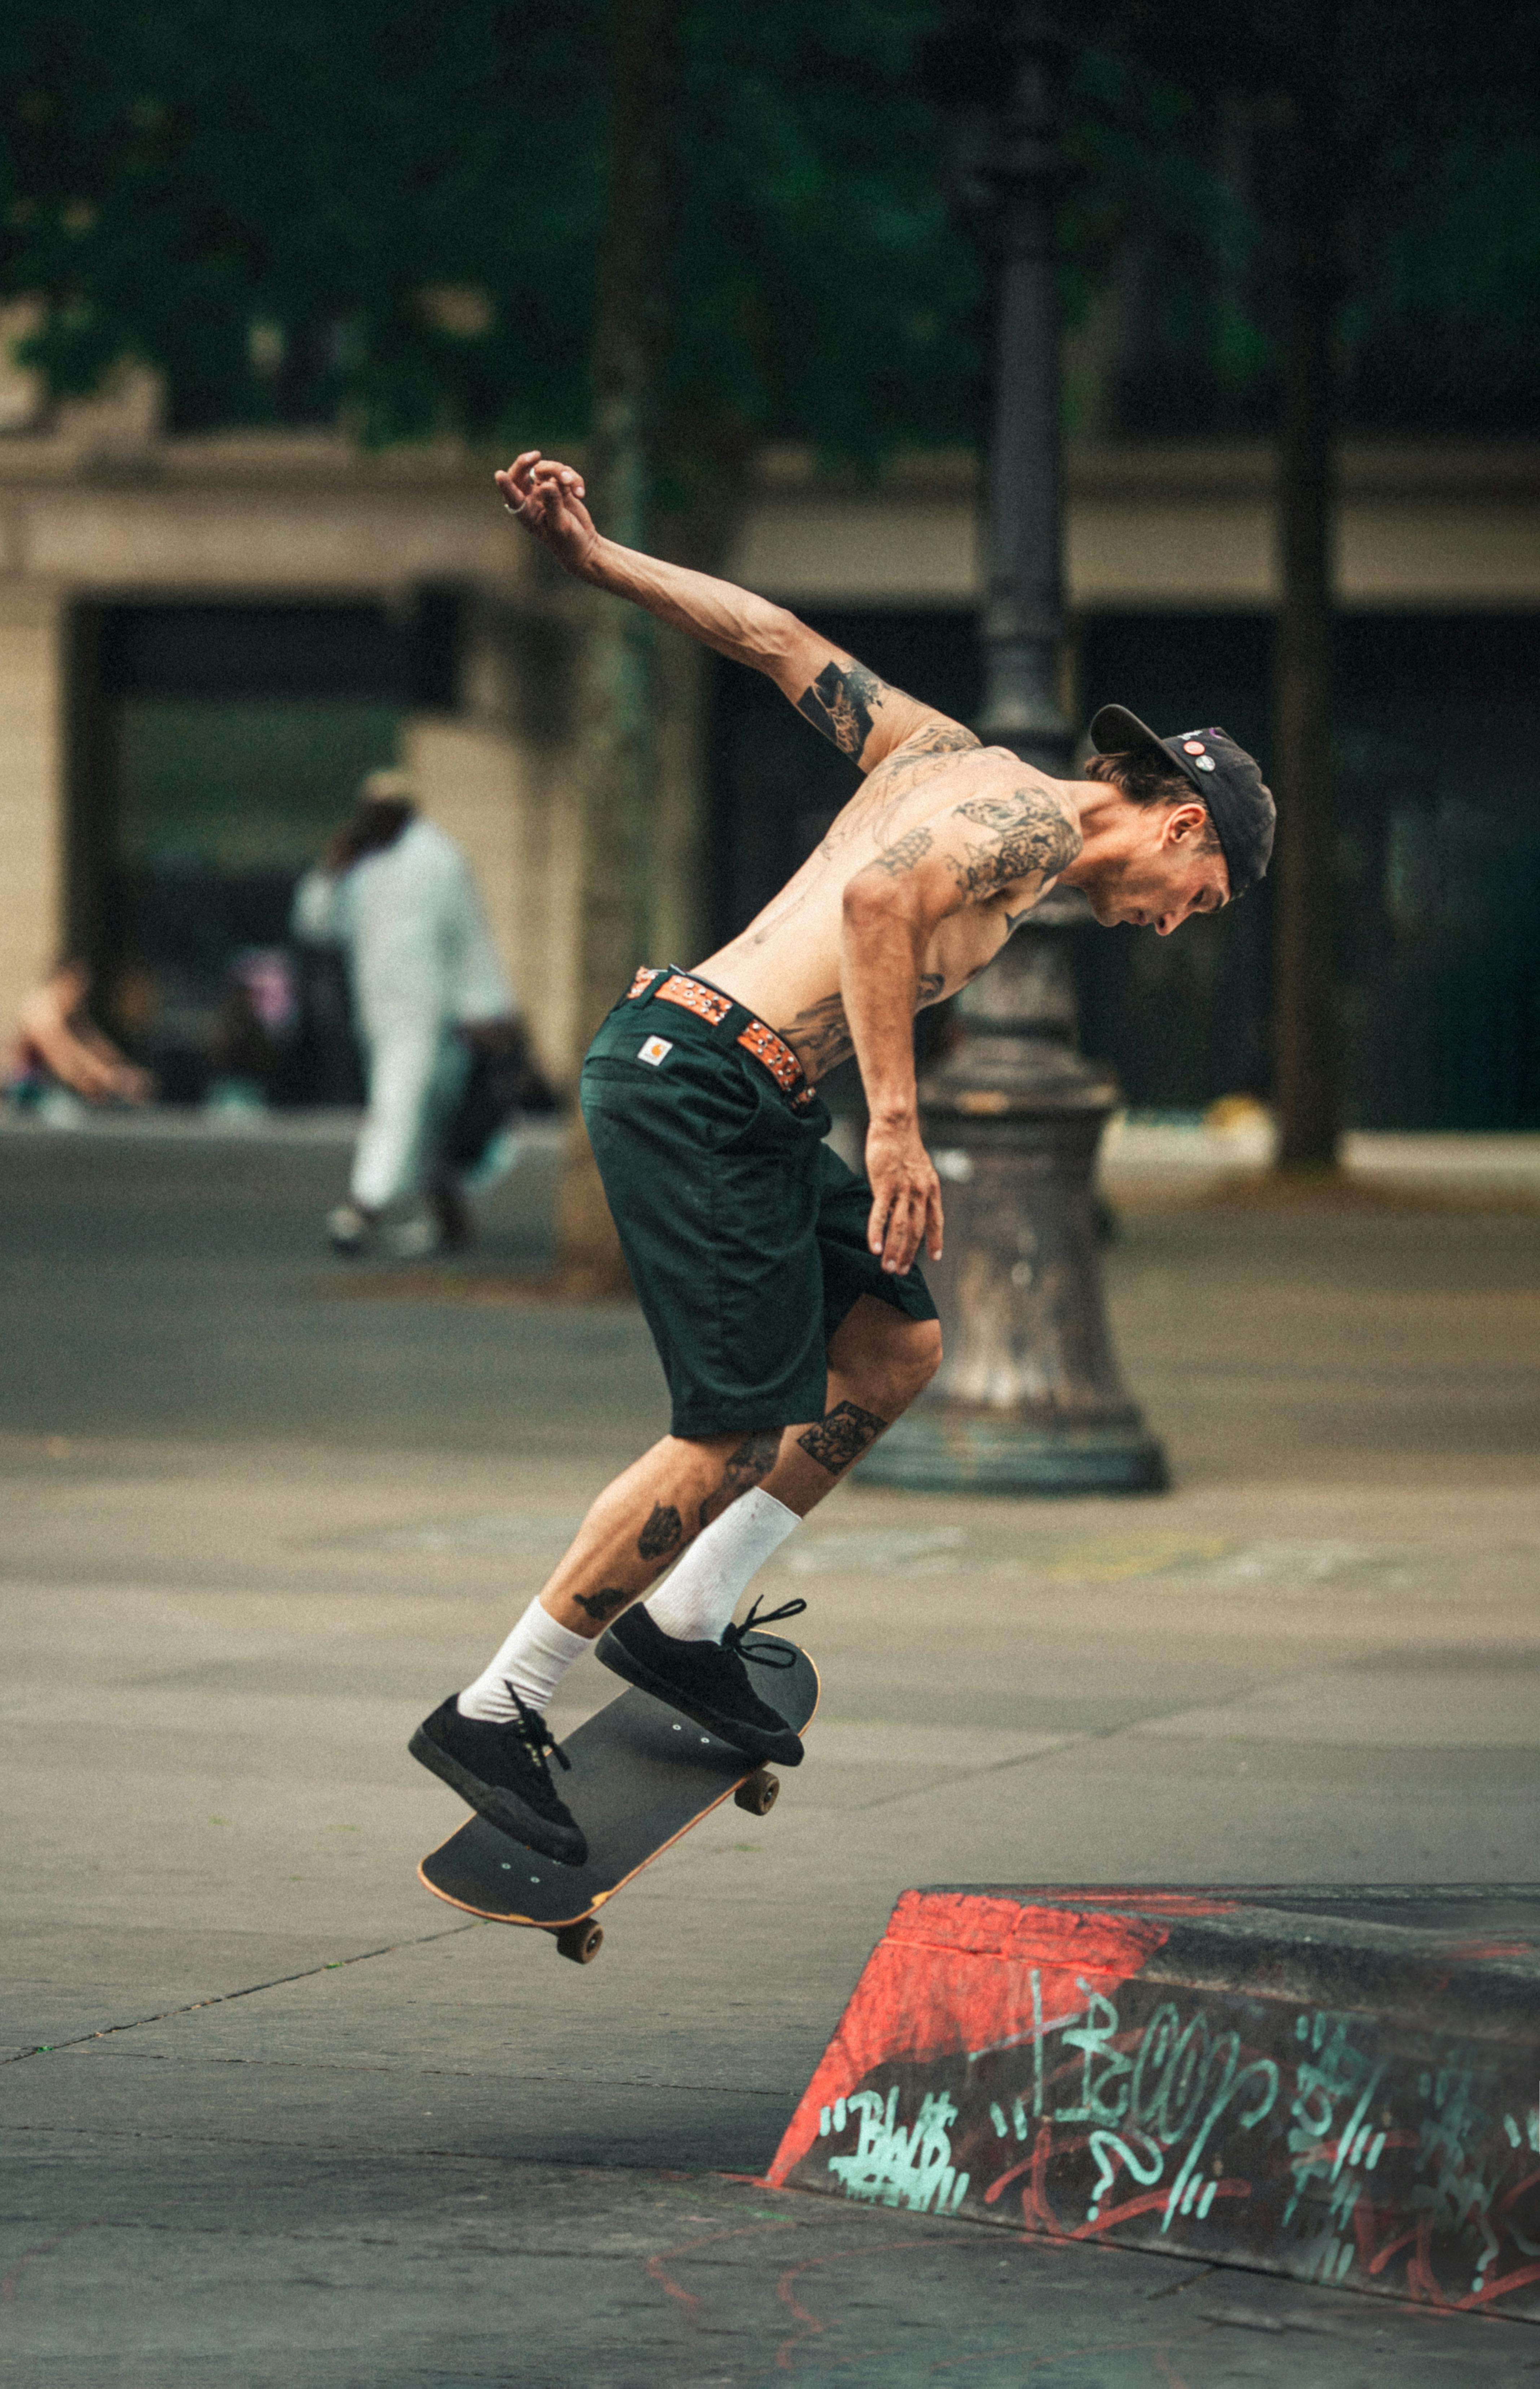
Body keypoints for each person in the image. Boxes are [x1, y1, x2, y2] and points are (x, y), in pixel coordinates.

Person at [410, 451, 1276, 1867]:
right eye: (1202, 895)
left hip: (731, 1090)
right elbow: (878, 904)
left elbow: (773, 640)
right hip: (692, 1084)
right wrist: (892, 1124)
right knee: (731, 1426)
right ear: (1181, 819)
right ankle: (495, 1703)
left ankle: (685, 1622)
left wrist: (599, 555)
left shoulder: (941, 751)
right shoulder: (1024, 822)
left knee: (891, 1349)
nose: (1176, 920)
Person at [292, 770, 519, 1258]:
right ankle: (450, 1216)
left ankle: (362, 1207)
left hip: (432, 1015)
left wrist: (487, 1008)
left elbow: (468, 936)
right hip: (379, 1015)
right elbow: (315, 925)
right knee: (429, 1116)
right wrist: (331, 871)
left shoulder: (439, 859)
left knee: (396, 1106)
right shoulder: (360, 866)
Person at [8, 959, 153, 1115]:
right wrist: (111, 1079)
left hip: (52, 1086)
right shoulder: (42, 1013)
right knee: (75, 1119)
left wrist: (124, 1068)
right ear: (65, 982)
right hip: (27, 1090)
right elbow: (65, 1060)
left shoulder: (69, 1012)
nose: (80, 997)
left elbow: (94, 1043)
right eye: (78, 989)